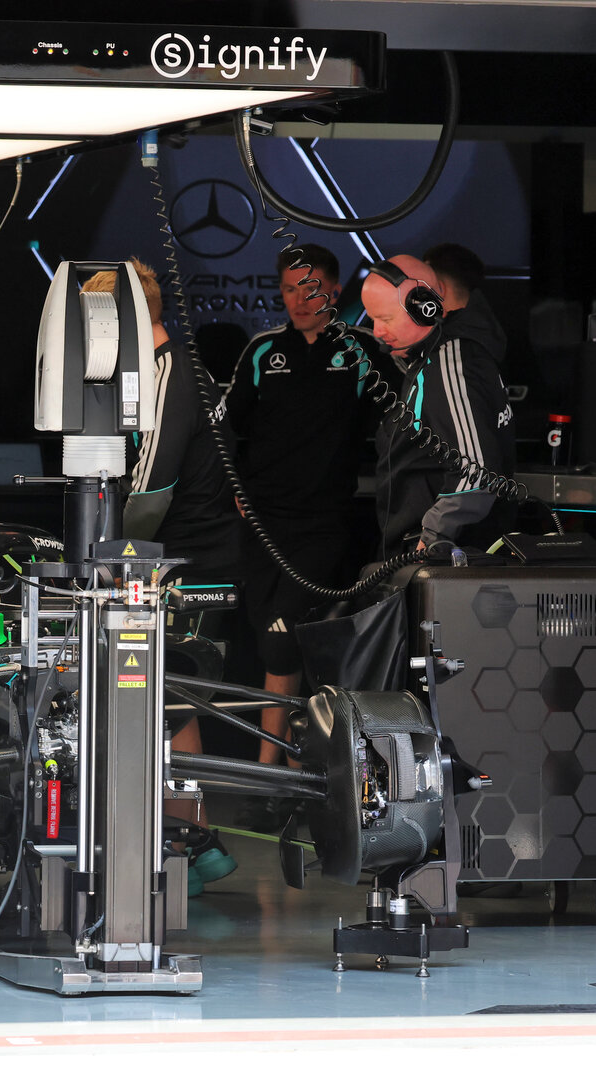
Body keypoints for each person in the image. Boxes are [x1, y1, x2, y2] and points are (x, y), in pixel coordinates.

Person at [81, 259, 243, 891]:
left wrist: (100, 560)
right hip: (184, 556)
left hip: (192, 563)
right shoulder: (158, 371)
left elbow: (148, 486)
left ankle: (190, 845)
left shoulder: (171, 373)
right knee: (173, 703)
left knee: (164, 703)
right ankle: (196, 847)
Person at [218, 245, 372, 777]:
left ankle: (275, 773)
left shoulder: (361, 351)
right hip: (262, 524)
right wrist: (234, 487)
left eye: (310, 289)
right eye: (288, 289)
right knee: (270, 645)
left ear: (333, 290)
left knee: (285, 645)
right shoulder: (262, 351)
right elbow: (224, 428)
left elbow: (399, 430)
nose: (299, 301)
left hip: (323, 524)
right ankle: (291, 767)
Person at [361, 254, 516, 557]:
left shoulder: (447, 363)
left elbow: (477, 472)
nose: (377, 331)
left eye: (386, 319)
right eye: (373, 319)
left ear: (425, 308)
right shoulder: (432, 360)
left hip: (440, 556)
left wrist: (434, 534)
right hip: (432, 553)